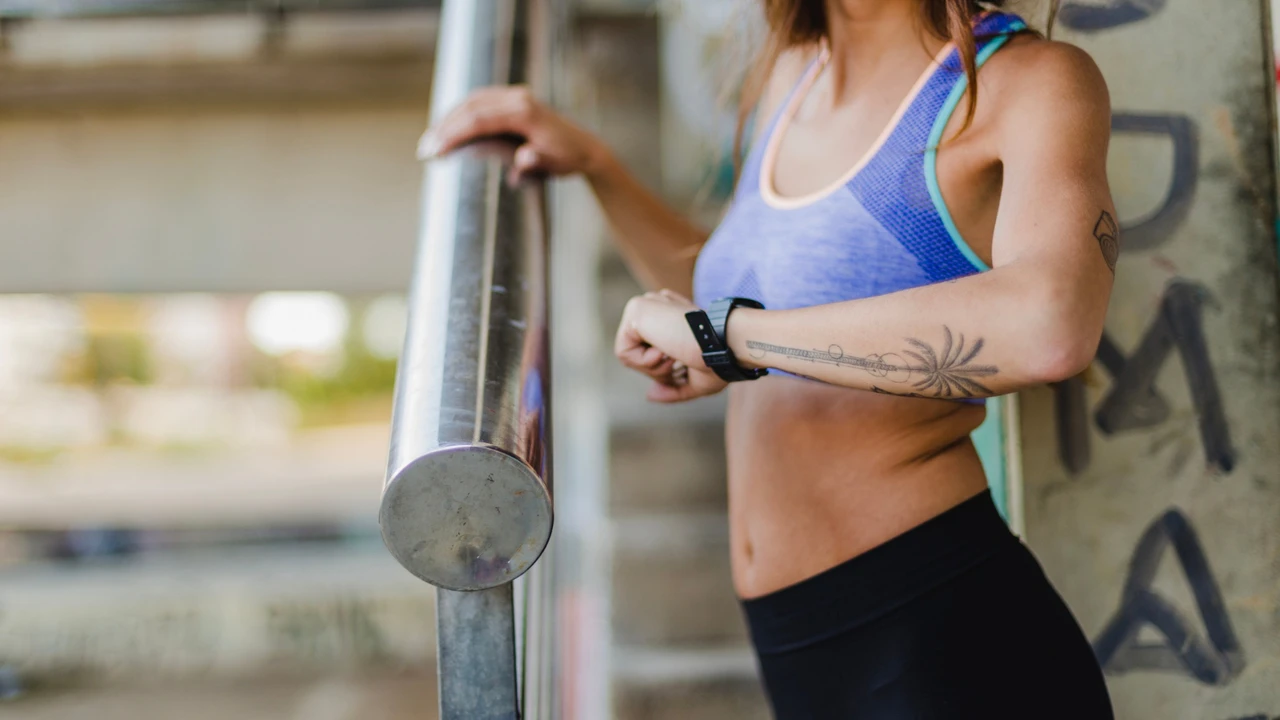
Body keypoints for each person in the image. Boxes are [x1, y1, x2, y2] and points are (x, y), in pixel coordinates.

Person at [420, 0, 1116, 716]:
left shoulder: (1025, 82)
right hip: (797, 643)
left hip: (940, 632)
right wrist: (597, 165)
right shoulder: (793, 75)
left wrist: (732, 340)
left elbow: (1050, 325)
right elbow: (756, 293)